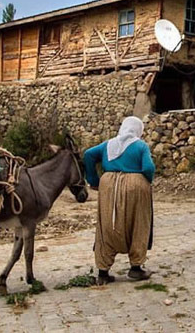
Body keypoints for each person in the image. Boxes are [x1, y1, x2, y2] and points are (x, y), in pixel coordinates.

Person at [83, 116, 155, 285]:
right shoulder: (140, 146)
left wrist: (93, 181)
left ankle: (103, 272)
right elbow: (148, 167)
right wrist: (146, 181)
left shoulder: (108, 145)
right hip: (136, 185)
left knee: (107, 224)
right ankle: (136, 268)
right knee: (138, 224)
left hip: (108, 186)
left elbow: (88, 155)